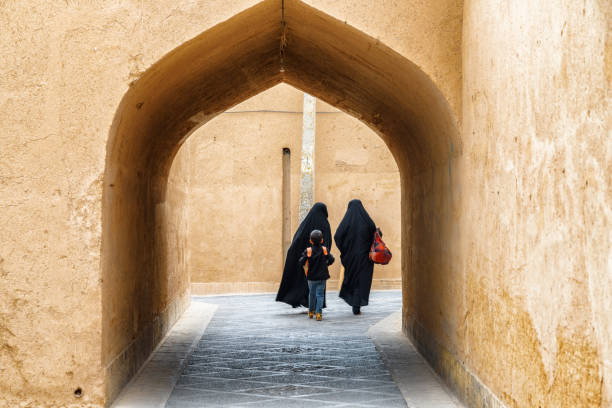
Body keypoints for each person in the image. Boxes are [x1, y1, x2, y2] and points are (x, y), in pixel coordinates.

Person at [276, 203, 332, 308]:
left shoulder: (307, 222)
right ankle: (317, 307)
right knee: (319, 287)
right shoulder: (325, 224)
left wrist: (298, 257)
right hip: (320, 264)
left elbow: (297, 240)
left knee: (304, 281)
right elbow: (328, 242)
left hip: (307, 261)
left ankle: (305, 302)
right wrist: (326, 257)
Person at [334, 199, 377, 315]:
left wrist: (345, 249)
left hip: (351, 258)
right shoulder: (367, 221)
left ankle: (354, 302)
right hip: (365, 258)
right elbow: (376, 234)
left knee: (353, 278)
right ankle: (357, 304)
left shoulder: (347, 221)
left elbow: (337, 236)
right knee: (362, 280)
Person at [298, 230, 335, 321]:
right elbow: (332, 259)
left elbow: (301, 261)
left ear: (310, 241)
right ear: (322, 240)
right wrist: (327, 263)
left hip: (311, 277)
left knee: (312, 294)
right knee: (320, 295)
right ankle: (319, 314)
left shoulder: (308, 251)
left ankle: (311, 312)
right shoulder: (324, 250)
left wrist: (304, 262)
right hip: (322, 277)